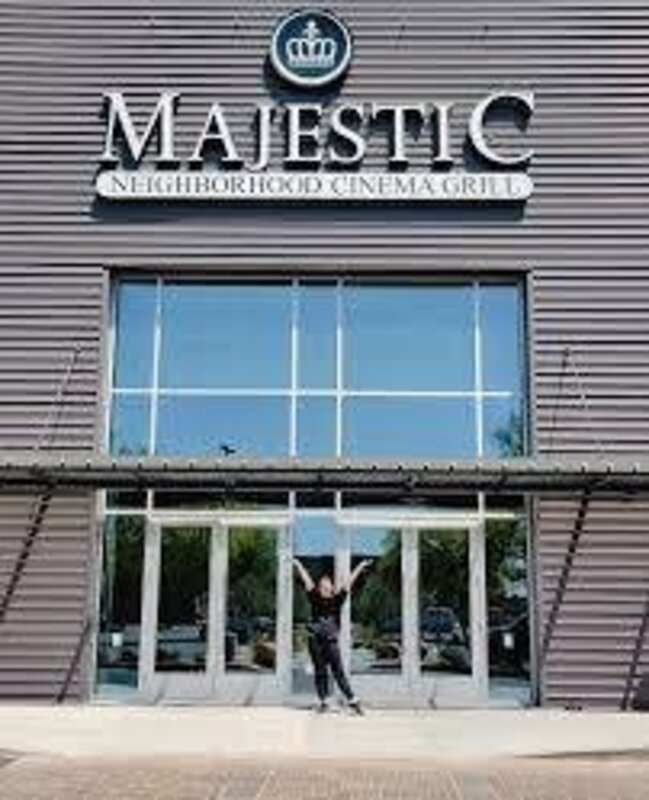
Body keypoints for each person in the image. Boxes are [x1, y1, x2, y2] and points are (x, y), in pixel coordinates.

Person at [293, 556, 372, 714]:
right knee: (320, 671)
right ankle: (324, 701)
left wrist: (360, 566)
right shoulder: (314, 598)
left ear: (332, 587)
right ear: (319, 587)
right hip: (315, 640)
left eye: (327, 584)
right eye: (322, 585)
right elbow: (307, 580)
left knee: (338, 671)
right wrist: (298, 564)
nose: (325, 586)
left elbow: (349, 582)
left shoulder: (337, 600)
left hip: (330, 641)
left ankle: (352, 699)